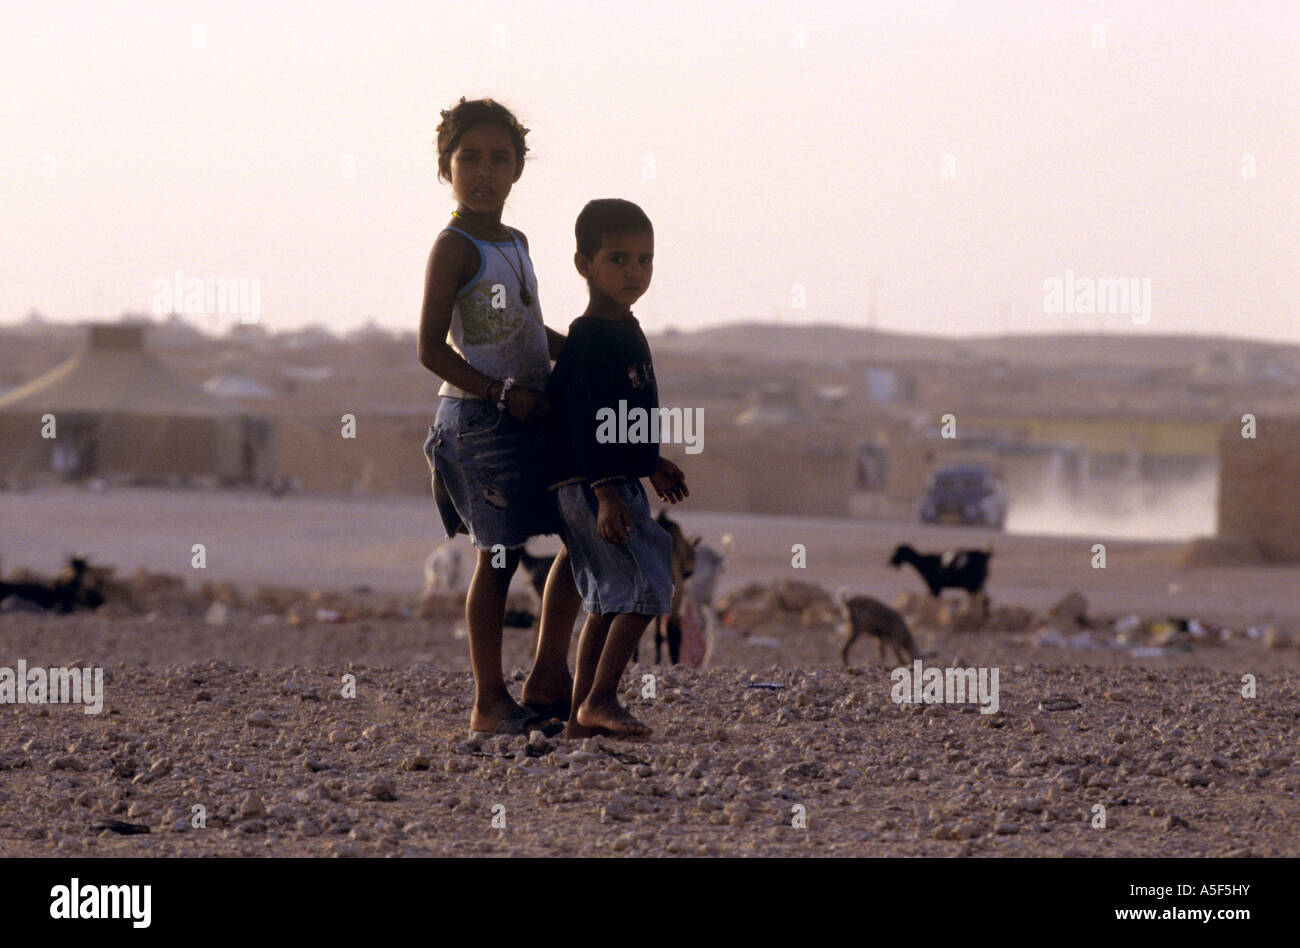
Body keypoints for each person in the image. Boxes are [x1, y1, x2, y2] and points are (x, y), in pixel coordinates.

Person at [417, 97, 581, 737]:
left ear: (517, 170)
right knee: (499, 557)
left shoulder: (515, 242)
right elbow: (431, 350)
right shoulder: (453, 248)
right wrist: (500, 392)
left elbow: (522, 326)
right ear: (445, 167)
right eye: (469, 158)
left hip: (531, 419)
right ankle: (489, 701)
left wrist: (585, 347)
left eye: (499, 159)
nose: (484, 171)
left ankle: (546, 678)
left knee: (580, 536)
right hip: (479, 423)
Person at [545, 199, 689, 738]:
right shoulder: (592, 337)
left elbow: (625, 413)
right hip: (592, 481)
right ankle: (602, 697)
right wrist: (607, 491)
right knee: (650, 579)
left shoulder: (623, 329)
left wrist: (651, 461)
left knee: (608, 596)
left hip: (606, 475)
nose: (635, 273)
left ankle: (582, 718)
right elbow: (586, 421)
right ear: (584, 265)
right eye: (618, 259)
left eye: (645, 260)